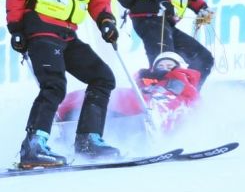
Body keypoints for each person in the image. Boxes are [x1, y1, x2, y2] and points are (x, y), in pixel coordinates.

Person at [6, 0, 120, 168]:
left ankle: (88, 140)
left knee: (102, 78)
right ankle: (33, 146)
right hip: (41, 29)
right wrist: (16, 28)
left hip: (67, 34)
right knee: (54, 84)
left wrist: (106, 21)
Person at [57, 52, 200, 133]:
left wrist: (170, 76)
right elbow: (136, 90)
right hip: (139, 105)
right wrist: (144, 78)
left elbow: (187, 95)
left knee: (143, 102)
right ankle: (72, 112)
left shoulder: (183, 79)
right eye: (160, 66)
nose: (164, 68)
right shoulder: (147, 79)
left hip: (161, 106)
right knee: (113, 94)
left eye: (169, 66)